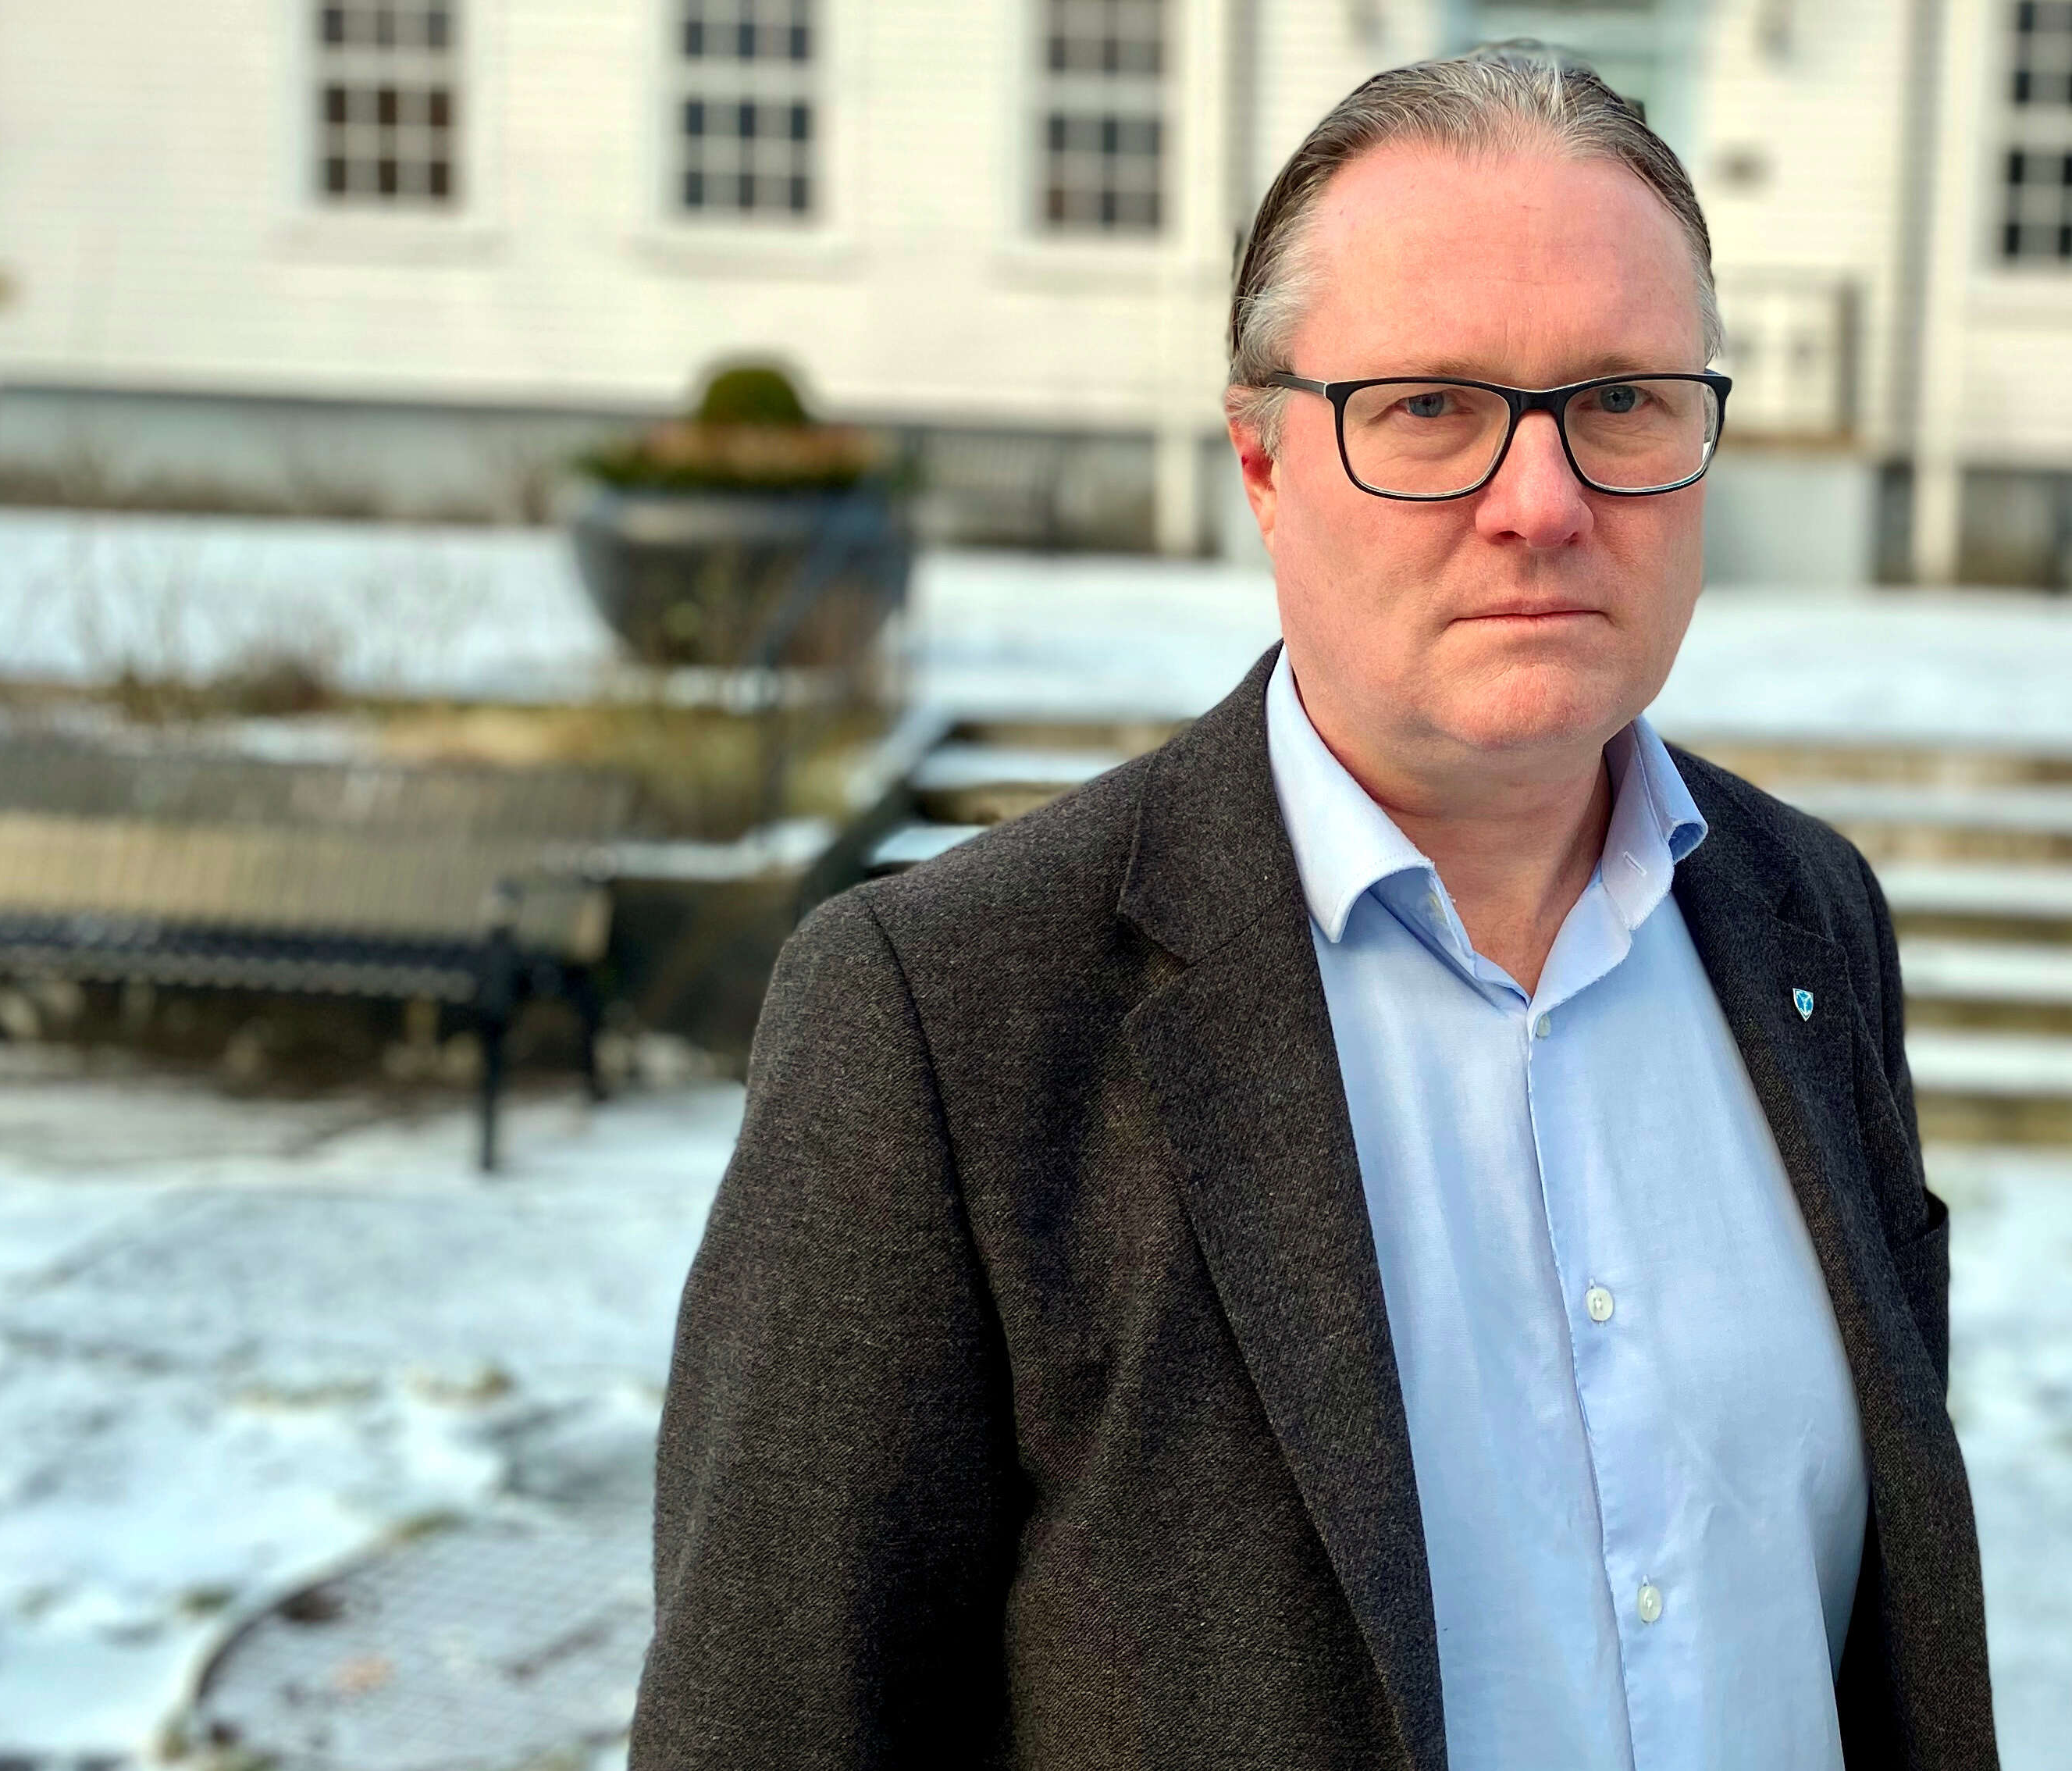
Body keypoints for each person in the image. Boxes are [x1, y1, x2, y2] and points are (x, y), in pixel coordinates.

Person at [631, 46, 1995, 1771]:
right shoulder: (949, 1023)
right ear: (1264, 463)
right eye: (1429, 408)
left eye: (1622, 401)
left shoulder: (1810, 925)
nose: (1543, 503)